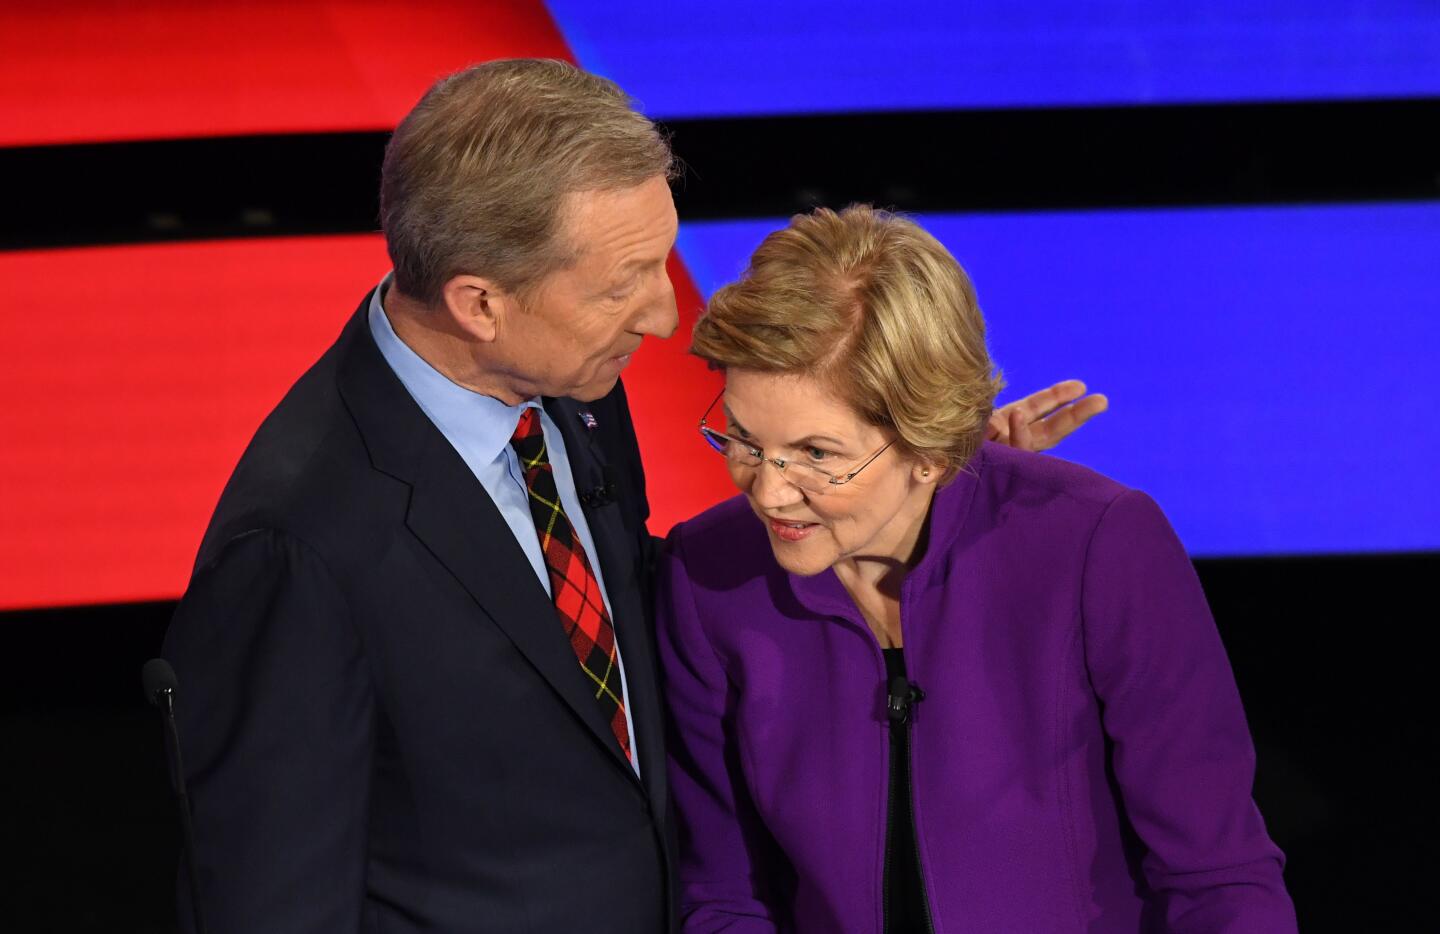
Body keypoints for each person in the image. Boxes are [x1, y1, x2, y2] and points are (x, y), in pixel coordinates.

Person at [161, 61, 1101, 933]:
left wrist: (898, 471)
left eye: (662, 261)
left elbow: (637, 607)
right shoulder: (299, 545)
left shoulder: (570, 391)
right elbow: (270, 902)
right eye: (624, 285)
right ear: (478, 304)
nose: (663, 314)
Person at [656, 205, 1297, 932]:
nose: (767, 490)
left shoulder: (1099, 548)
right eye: (742, 437)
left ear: (929, 448)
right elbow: (726, 898)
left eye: (816, 455)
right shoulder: (706, 577)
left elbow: (1217, 879)